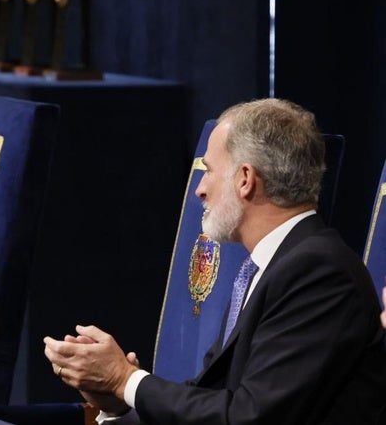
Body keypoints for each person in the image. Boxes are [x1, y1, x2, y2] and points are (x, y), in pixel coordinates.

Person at [44, 98, 386, 424]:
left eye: (209, 171)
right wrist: (117, 401)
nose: (200, 189)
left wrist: (125, 379)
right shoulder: (272, 266)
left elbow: (251, 417)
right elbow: (212, 398)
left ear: (245, 180)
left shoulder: (319, 272)